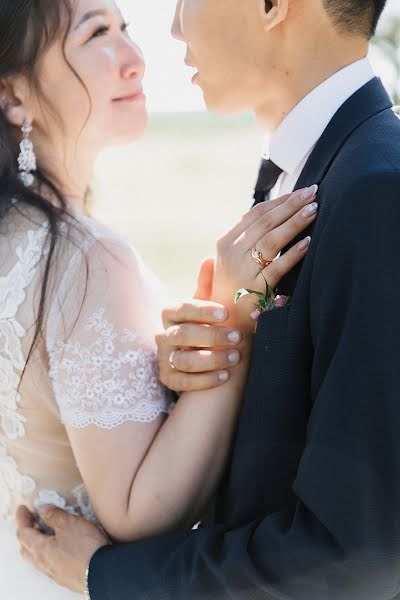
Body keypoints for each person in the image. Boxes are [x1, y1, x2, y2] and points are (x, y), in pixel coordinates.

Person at [17, 0, 400, 598]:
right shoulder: (317, 172)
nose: (171, 29)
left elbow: (360, 553)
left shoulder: (378, 192)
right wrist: (199, 368)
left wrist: (109, 575)